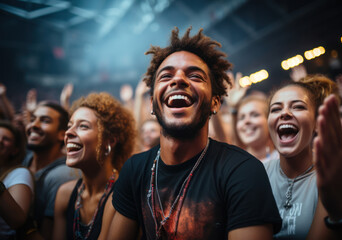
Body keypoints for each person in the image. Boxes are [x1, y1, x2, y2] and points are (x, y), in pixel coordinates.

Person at [106, 27, 282, 240]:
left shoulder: (242, 171)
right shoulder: (134, 170)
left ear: (215, 103)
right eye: (166, 75)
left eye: (195, 76)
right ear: (152, 103)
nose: (178, 80)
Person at [53, 92, 136, 240]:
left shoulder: (122, 196)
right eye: (69, 126)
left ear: (109, 141)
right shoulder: (65, 193)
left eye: (83, 126)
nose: (68, 133)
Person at [264, 75, 338, 239]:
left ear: (317, 123)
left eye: (298, 107)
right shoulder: (257, 174)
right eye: (276, 109)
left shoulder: (332, 177)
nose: (285, 113)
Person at [23, 101, 81, 240]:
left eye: (45, 121)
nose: (34, 125)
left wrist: (18, 220)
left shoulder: (63, 175)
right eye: (32, 119)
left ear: (62, 134)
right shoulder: (26, 159)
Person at [306, 94, 342, 239]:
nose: (329, 138)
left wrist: (341, 210)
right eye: (321, 133)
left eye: (341, 133)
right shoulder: (319, 174)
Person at [0, 121, 34, 239]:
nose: (0, 141)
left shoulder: (19, 173)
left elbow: (17, 221)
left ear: (15, 150)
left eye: (6, 139)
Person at [235, 95, 278, 163]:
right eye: (241, 118)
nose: (246, 121)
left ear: (270, 120)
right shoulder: (234, 163)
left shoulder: (284, 161)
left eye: (255, 115)